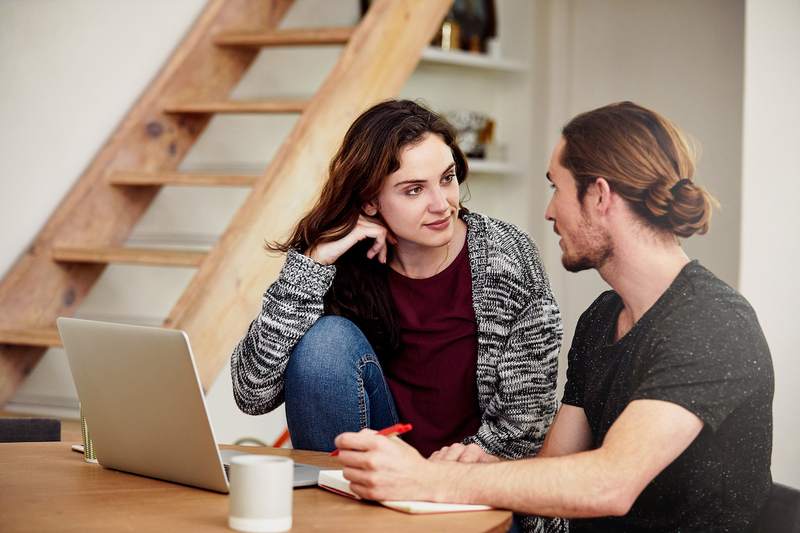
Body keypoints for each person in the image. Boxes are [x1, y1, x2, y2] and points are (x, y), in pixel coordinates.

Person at [333, 101, 774, 533]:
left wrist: (427, 479)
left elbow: (611, 484)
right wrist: (486, 466)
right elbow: (554, 469)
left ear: (598, 195)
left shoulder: (712, 322)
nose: (549, 212)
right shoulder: (603, 317)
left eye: (556, 189)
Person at [230, 100, 562, 502]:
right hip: (364, 485)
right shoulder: (337, 264)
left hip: (467, 487)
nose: (441, 204)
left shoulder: (507, 256)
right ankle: (336, 520)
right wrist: (313, 264)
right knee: (326, 341)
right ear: (370, 200)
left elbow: (525, 425)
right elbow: (252, 393)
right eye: (414, 190)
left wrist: (436, 477)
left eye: (447, 178)